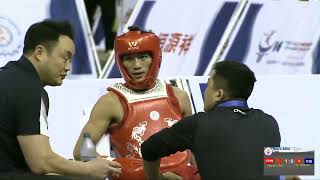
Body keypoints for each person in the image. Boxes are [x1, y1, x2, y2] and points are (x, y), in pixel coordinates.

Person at [0, 20, 121, 180]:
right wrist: (89, 169)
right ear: (40, 53)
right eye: (65, 58)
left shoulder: (8, 76)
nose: (68, 67)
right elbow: (41, 162)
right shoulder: (29, 88)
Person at [73, 26, 199, 180]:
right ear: (120, 61)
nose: (136, 65)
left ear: (156, 57)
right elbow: (82, 150)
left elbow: (194, 148)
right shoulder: (111, 102)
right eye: (129, 58)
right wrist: (116, 167)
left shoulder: (179, 97)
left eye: (143, 57)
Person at [141, 61, 281, 180]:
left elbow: (148, 149)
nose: (205, 91)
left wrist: (158, 178)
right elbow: (287, 163)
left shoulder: (198, 124)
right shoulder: (270, 122)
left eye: (208, 86)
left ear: (218, 94)